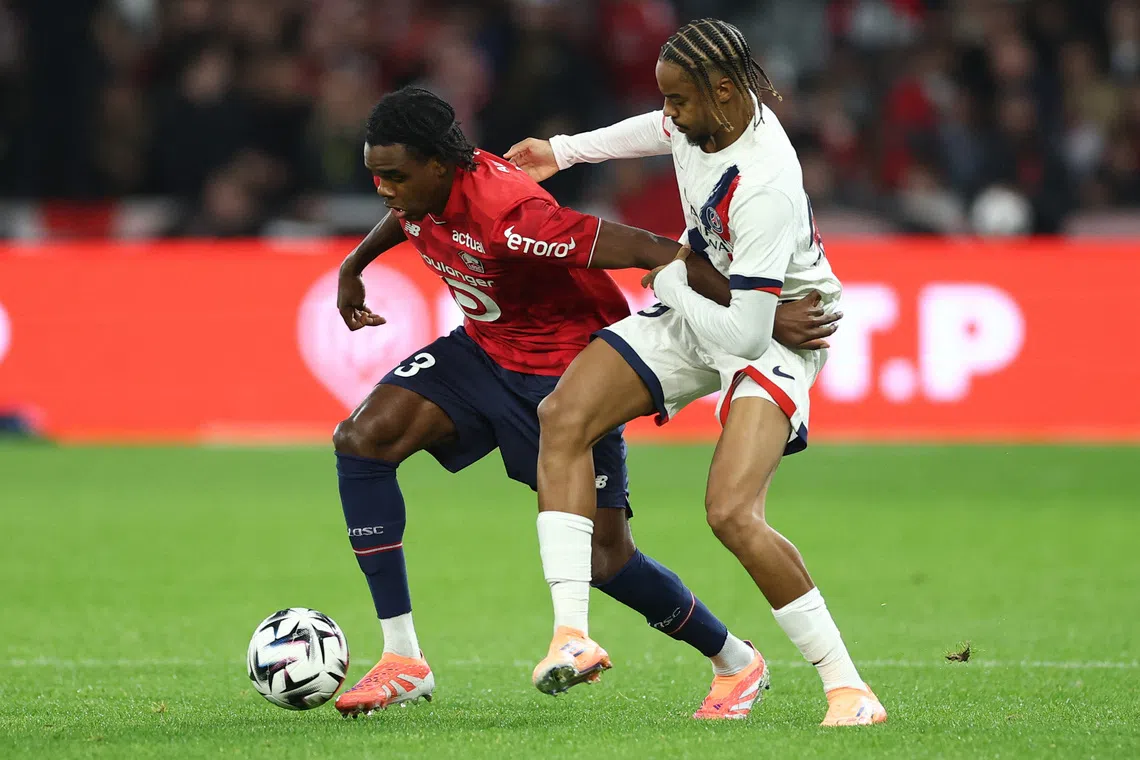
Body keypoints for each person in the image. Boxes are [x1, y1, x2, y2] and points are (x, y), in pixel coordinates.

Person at [330, 86, 840, 718]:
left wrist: (757, 314)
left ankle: (735, 658)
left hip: (561, 369)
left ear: (440, 164)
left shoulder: (514, 217)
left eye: (394, 177)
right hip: (482, 351)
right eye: (375, 175)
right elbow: (408, 214)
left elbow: (652, 249)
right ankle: (403, 659)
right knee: (362, 438)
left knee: (607, 559)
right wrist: (356, 263)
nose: (384, 189)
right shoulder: (421, 186)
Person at [505, 18, 887, 726]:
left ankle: (848, 687)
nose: (670, 115)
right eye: (666, 99)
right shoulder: (706, 116)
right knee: (562, 416)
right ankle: (572, 635)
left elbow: (745, 332)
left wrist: (670, 271)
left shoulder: (765, 185)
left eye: (679, 101)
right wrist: (562, 152)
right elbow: (652, 132)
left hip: (779, 329)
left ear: (722, 92)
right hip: (710, 293)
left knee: (731, 514)